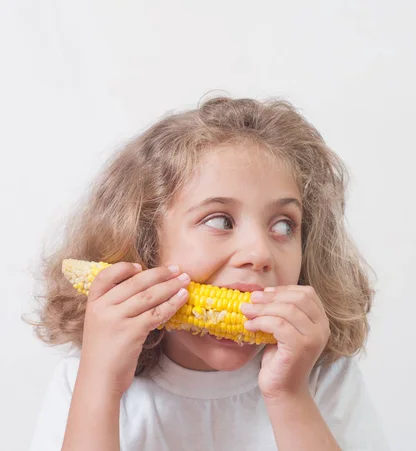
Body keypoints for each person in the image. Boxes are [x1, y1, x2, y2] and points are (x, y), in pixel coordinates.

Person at [28, 95, 390, 450]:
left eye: (283, 227)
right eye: (220, 220)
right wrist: (100, 385)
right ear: (144, 243)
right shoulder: (86, 379)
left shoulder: (321, 378)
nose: (259, 253)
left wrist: (288, 395)